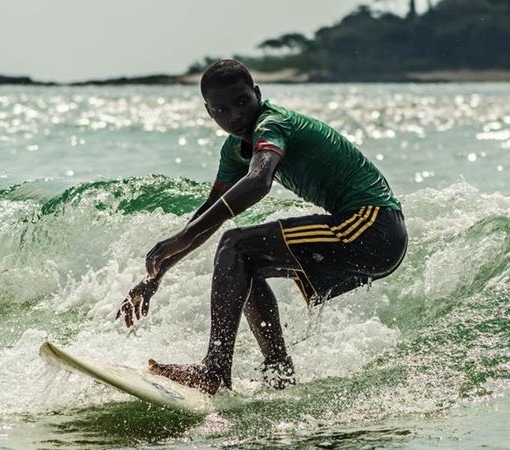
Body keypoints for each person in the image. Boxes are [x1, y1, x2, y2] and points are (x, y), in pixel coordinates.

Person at [116, 59, 407, 395]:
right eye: (222, 109)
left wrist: (180, 238)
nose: (235, 114)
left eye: (242, 101)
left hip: (373, 226)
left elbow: (258, 182)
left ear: (257, 93)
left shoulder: (273, 125)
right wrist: (157, 274)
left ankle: (214, 370)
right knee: (243, 261)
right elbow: (208, 213)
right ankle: (278, 375)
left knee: (235, 245)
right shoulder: (235, 150)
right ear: (209, 113)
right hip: (365, 229)